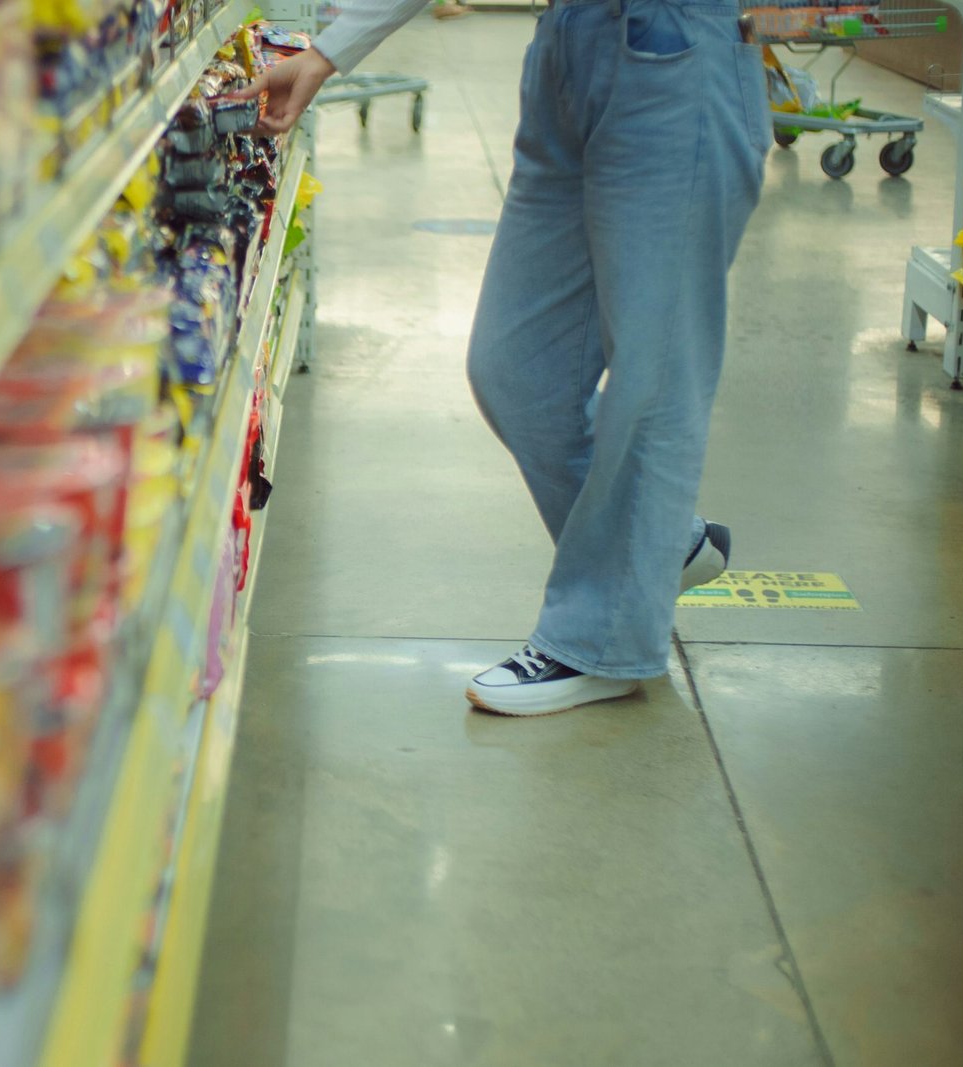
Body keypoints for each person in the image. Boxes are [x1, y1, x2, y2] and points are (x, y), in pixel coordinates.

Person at [233, 0, 770, 715]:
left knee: (656, 370)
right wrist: (332, 52)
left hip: (672, 53)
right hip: (565, 46)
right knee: (516, 366)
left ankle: (600, 641)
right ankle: (659, 542)